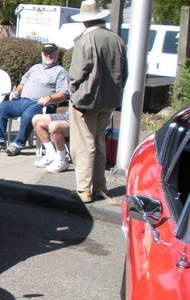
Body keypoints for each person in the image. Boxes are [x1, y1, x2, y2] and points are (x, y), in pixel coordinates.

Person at [68, 0, 127, 203]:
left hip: (86, 100)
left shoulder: (85, 40)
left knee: (84, 145)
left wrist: (73, 94)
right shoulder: (116, 40)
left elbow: (76, 75)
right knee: (99, 143)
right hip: (109, 100)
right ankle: (100, 185)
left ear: (85, 21)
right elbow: (124, 74)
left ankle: (84, 189)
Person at [0, 43, 69, 156]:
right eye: (46, 52)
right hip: (23, 100)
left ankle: (18, 144)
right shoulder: (35, 68)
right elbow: (23, 83)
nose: (48, 55)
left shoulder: (60, 71)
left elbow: (63, 93)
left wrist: (49, 98)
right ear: (42, 54)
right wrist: (16, 92)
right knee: (1, 108)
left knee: (28, 115)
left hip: (41, 104)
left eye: (51, 52)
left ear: (56, 54)